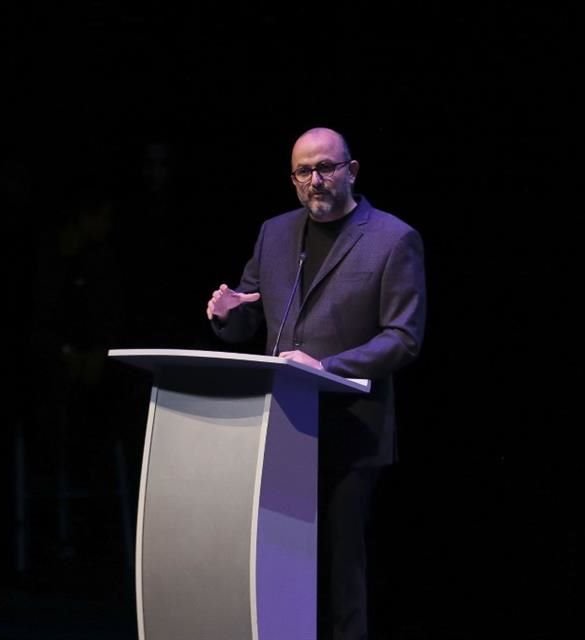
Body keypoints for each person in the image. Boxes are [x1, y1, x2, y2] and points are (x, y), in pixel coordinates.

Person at [206, 127, 427, 640]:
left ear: (351, 171)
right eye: (304, 171)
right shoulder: (275, 233)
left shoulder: (394, 239)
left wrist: (328, 368)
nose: (315, 180)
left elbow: (403, 337)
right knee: (281, 569)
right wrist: (227, 315)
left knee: (342, 576)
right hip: (280, 428)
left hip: (353, 433)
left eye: (326, 168)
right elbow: (251, 314)